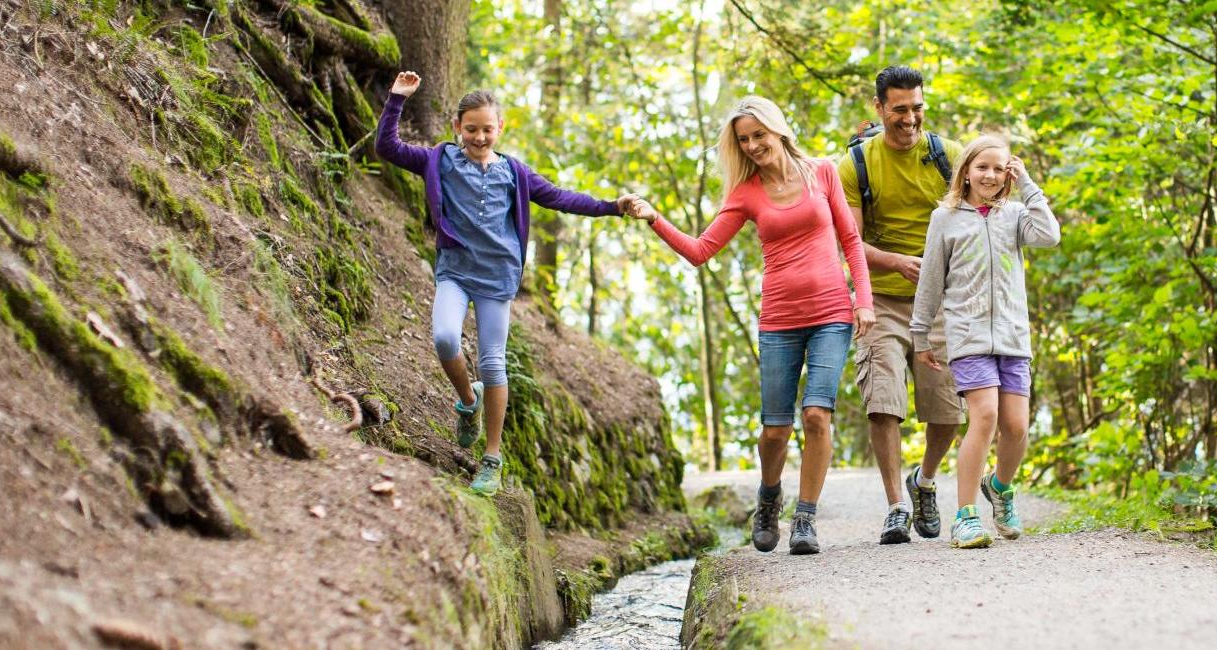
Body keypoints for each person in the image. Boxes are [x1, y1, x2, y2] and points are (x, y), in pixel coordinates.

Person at [626, 96, 875, 555]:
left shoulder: (821, 171)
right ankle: (768, 497)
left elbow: (850, 239)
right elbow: (700, 251)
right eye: (744, 140)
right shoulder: (746, 193)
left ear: (777, 129)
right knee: (775, 431)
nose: (753, 145)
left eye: (758, 134)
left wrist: (864, 300)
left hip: (832, 313)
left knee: (817, 414)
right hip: (779, 320)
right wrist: (654, 219)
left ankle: (805, 518)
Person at [374, 71, 637, 495]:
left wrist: (611, 207)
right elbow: (386, 147)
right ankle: (468, 400)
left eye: (488, 129)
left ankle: (491, 459)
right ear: (457, 126)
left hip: (497, 279)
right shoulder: (438, 160)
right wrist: (397, 100)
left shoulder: (513, 172)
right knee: (445, 339)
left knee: (493, 362)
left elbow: (561, 197)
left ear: (500, 129)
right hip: (456, 272)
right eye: (471, 129)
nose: (480, 137)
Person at [909, 134, 1061, 548]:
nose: (990, 175)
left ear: (1007, 173)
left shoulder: (1015, 214)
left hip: (1013, 336)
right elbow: (931, 280)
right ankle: (966, 517)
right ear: (966, 172)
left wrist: (1028, 184)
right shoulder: (946, 218)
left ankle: (999, 486)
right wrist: (920, 334)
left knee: (1016, 427)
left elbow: (1049, 235)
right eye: (982, 167)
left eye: (999, 168)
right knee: (986, 416)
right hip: (969, 335)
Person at [838, 66, 966, 543]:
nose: (910, 119)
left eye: (917, 108)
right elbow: (847, 240)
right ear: (879, 108)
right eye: (900, 110)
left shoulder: (948, 157)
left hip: (940, 304)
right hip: (881, 300)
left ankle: (924, 481)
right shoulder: (856, 165)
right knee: (883, 403)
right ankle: (896, 505)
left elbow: (976, 220)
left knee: (948, 410)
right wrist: (897, 261)